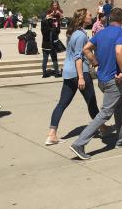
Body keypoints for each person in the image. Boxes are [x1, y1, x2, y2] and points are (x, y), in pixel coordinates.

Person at [70, 7, 122, 160]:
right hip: (113, 80)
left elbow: (86, 49)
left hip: (102, 79)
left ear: (110, 19)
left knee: (121, 105)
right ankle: (79, 143)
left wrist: (95, 62)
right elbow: (119, 51)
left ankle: (121, 138)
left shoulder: (101, 32)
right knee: (105, 113)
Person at [46, 8, 108, 145]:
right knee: (91, 103)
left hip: (68, 73)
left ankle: (52, 134)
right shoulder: (80, 35)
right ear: (82, 18)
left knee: (62, 104)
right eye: (90, 15)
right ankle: (102, 129)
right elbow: (78, 57)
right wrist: (81, 77)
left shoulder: (73, 33)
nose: (92, 17)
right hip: (79, 73)